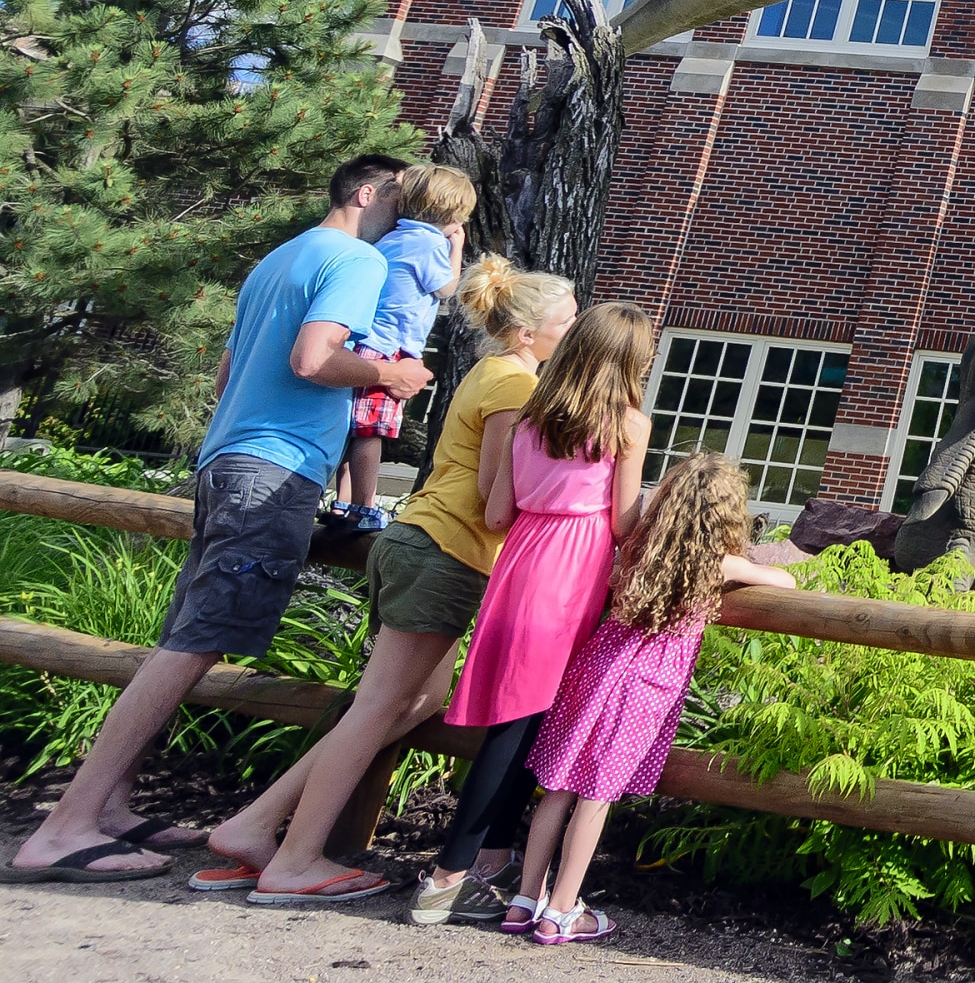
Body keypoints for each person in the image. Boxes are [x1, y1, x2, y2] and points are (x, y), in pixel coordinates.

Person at [3, 153, 429, 884]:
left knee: (184, 634)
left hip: (226, 457)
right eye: (400, 196)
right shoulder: (357, 260)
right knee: (196, 645)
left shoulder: (279, 258)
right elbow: (312, 358)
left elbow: (232, 370)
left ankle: (111, 807)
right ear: (368, 193)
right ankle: (65, 827)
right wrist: (389, 373)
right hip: (274, 470)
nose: (408, 213)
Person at [190, 255, 578, 910]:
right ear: (525, 334)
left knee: (416, 702)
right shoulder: (517, 387)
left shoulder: (494, 372)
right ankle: (293, 860)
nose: (574, 332)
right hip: (447, 552)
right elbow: (493, 501)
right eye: (566, 323)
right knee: (377, 709)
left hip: (424, 544)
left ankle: (256, 825)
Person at [428, 298, 654, 930]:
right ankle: (447, 876)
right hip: (573, 572)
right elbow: (624, 522)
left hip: (520, 560)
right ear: (629, 363)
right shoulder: (626, 425)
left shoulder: (531, 416)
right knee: (522, 729)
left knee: (517, 722)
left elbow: (497, 512)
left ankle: (491, 861)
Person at [518, 454, 791, 944]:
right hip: (643, 687)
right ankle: (561, 911)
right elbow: (787, 581)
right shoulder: (717, 562)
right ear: (728, 514)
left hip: (595, 670)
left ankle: (525, 899)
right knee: (596, 798)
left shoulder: (640, 545)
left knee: (559, 787)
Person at [327, 165, 475, 531]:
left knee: (353, 428)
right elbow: (445, 288)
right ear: (453, 215)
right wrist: (457, 247)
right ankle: (364, 507)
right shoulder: (430, 244)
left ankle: (343, 503)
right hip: (389, 349)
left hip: (363, 345)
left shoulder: (394, 236)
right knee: (371, 432)